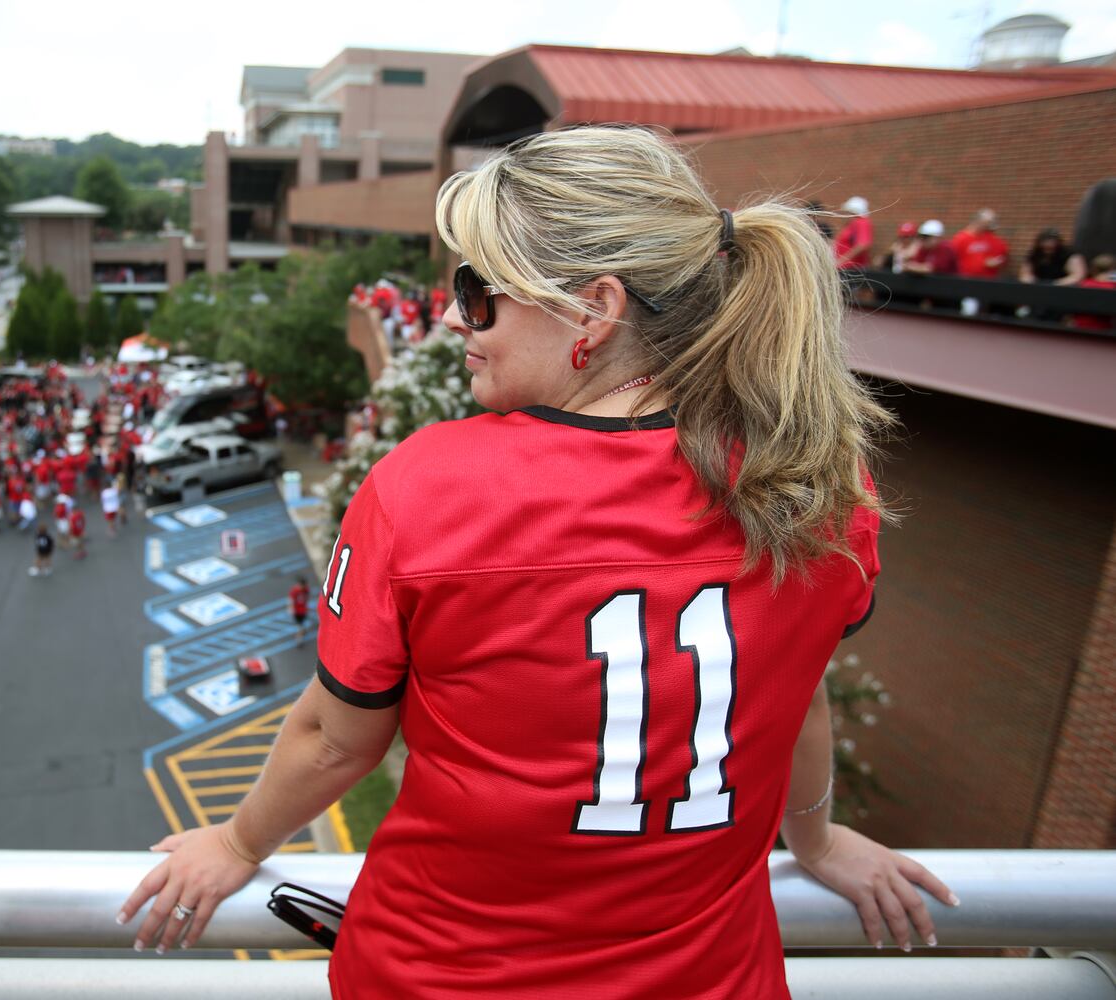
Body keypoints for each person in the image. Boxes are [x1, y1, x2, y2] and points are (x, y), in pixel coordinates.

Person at [119, 126, 955, 998]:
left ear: (593, 309)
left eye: (479, 291)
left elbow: (335, 737)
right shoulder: (816, 479)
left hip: (443, 976)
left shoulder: (429, 487)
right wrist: (813, 840)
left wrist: (238, 842)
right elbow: (794, 689)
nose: (451, 317)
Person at [950, 209, 1008, 279]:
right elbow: (951, 260)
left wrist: (995, 262)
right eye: (987, 223)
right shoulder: (960, 239)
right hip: (965, 281)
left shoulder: (990, 238)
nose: (988, 226)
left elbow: (1002, 255)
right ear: (978, 221)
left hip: (987, 281)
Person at [1068, 253, 1116, 332]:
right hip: (1104, 331)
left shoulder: (1083, 284)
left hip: (1079, 329)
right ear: (1112, 269)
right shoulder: (1112, 286)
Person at [288, 576, 311, 646]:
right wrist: (291, 609)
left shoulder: (306, 590)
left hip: (303, 610)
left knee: (302, 624)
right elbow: (291, 600)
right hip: (297, 611)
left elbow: (307, 598)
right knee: (299, 626)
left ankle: (302, 632)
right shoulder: (295, 591)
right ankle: (299, 639)